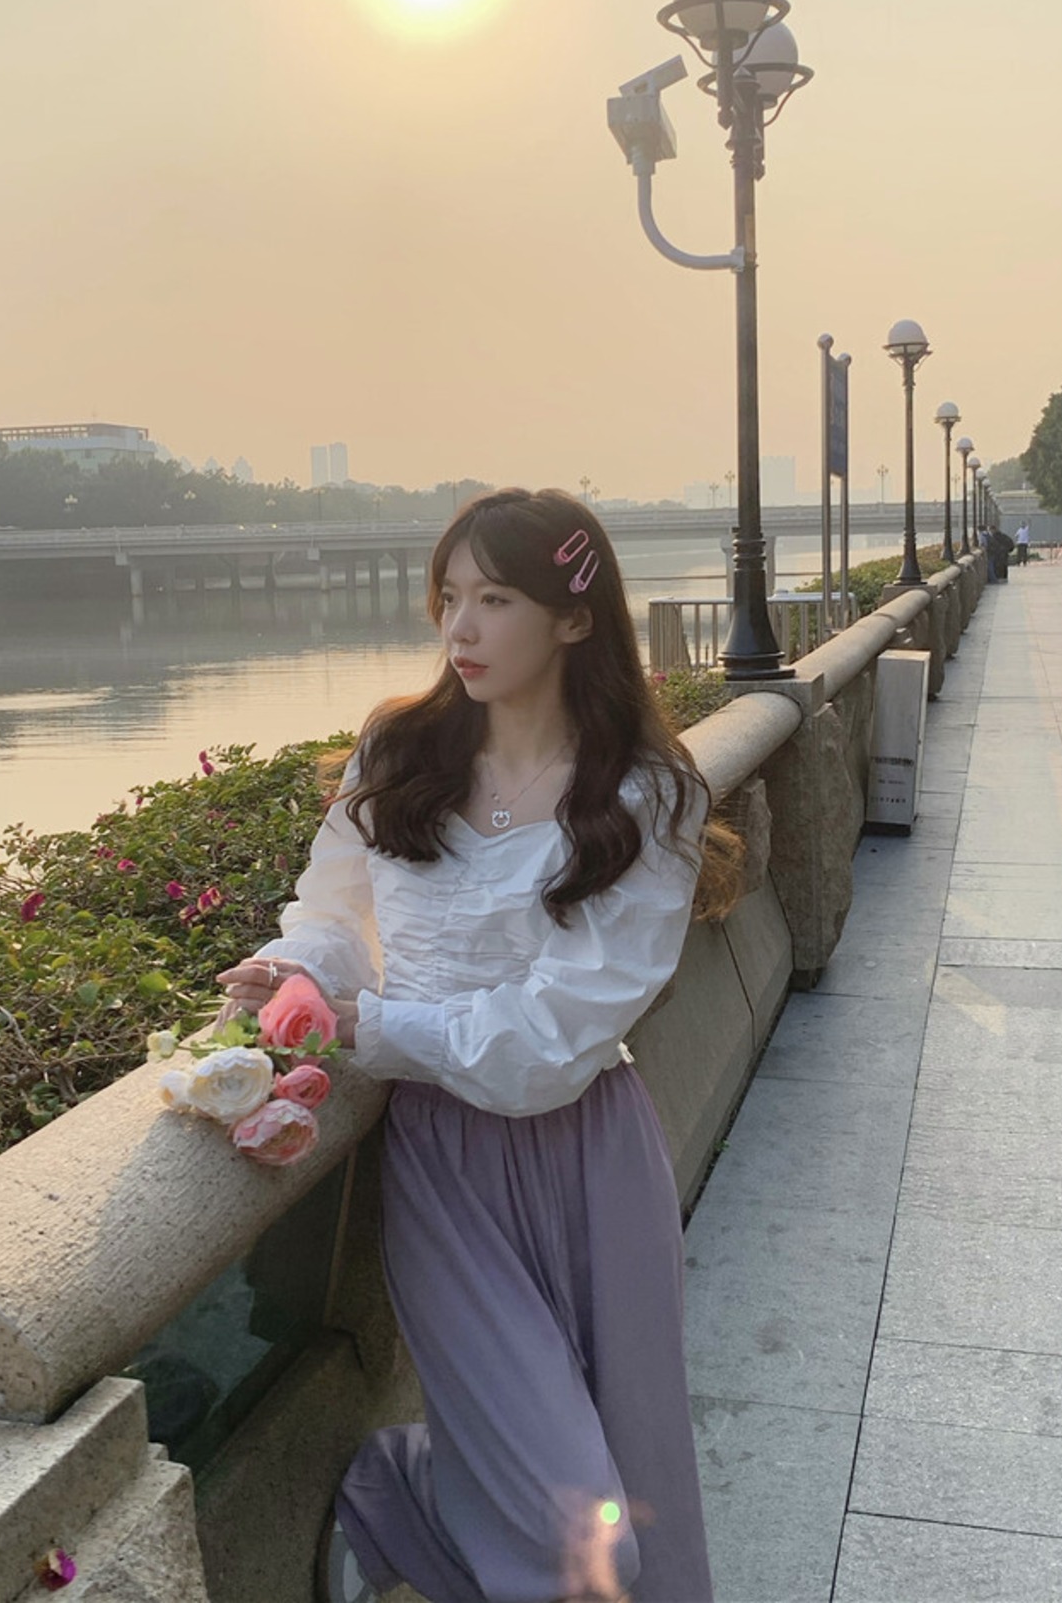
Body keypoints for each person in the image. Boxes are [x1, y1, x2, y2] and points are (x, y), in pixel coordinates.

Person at [217, 488, 741, 1603]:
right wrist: (296, 974)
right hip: (443, 1165)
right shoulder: (398, 748)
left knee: (638, 1471)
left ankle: (430, 1501)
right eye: (448, 596)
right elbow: (337, 912)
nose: (459, 627)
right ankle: (399, 1492)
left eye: (494, 599)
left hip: (592, 1156)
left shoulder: (646, 796)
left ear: (574, 618)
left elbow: (562, 1028)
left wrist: (368, 1024)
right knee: (578, 1535)